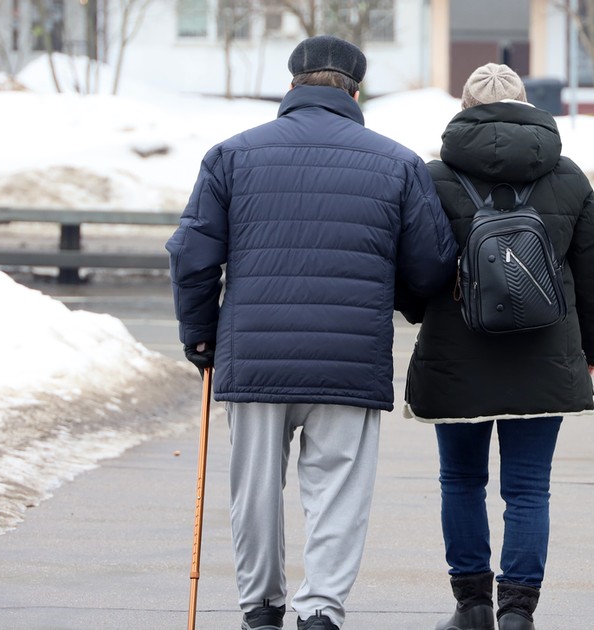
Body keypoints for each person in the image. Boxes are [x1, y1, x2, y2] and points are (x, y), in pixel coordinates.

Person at [165, 35, 457, 630]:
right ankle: (320, 610)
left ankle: (260, 607)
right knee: (338, 494)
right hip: (348, 360)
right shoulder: (397, 162)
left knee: (254, 492)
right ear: (355, 90)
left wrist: (201, 336)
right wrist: (388, 295)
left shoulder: (231, 156)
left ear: (292, 85)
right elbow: (431, 265)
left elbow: (192, 255)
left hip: (254, 354)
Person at [399, 63, 594, 630]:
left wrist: (425, 314)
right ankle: (517, 614)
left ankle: (472, 608)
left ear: (465, 108)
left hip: (454, 356)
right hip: (544, 358)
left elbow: (416, 269)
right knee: (527, 490)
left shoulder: (433, 176)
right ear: (526, 107)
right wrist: (590, 352)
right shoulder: (568, 176)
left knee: (461, 482)